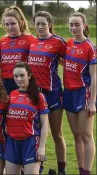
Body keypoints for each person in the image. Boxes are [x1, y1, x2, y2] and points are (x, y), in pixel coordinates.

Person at [27, 11, 68, 175]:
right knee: (34, 132)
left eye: (43, 23)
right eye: (37, 23)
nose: (40, 26)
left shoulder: (58, 42)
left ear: (49, 24)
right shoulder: (32, 42)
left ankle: (61, 171)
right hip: (34, 94)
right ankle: (37, 169)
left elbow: (68, 63)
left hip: (53, 92)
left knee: (57, 133)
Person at [63, 12, 96, 175]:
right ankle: (80, 168)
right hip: (68, 92)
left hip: (84, 94)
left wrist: (92, 102)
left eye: (77, 24)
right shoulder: (68, 43)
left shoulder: (90, 47)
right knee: (76, 135)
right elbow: (65, 62)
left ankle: (87, 172)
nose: (74, 27)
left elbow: (95, 76)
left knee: (86, 135)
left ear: (84, 25)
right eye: (71, 25)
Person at [4, 62, 49, 174]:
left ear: (29, 75)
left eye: (22, 75)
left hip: (31, 143)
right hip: (12, 142)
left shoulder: (39, 97)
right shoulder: (12, 94)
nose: (18, 79)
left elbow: (45, 124)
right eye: (15, 76)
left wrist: (42, 147)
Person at [0, 6, 36, 94]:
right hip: (5, 82)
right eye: (7, 24)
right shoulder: (2, 40)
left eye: (13, 23)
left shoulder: (30, 39)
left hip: (22, 81)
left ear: (21, 23)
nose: (10, 27)